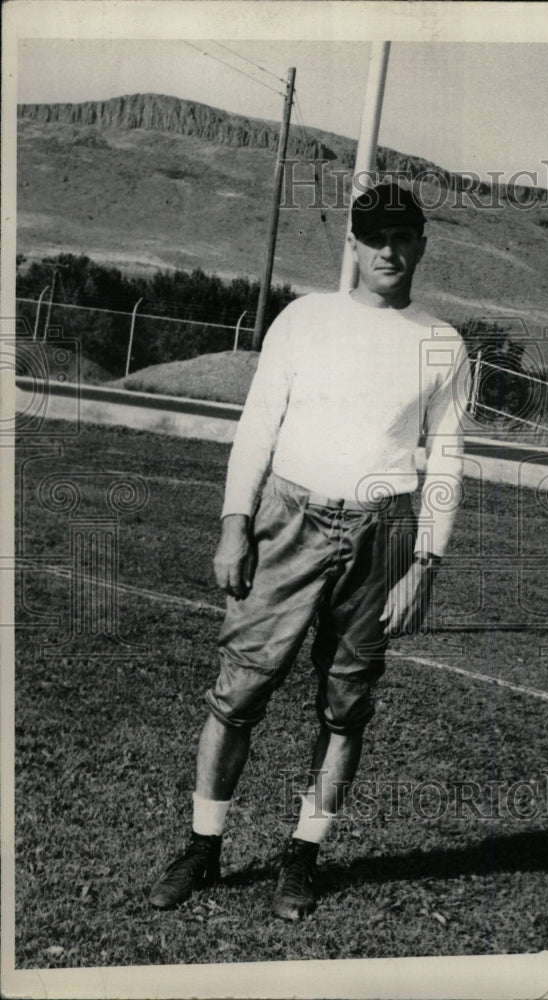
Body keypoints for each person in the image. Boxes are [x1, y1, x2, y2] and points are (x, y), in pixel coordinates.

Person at [148, 180, 469, 920]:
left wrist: (424, 564)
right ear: (352, 246)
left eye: (401, 237)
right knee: (239, 693)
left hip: (382, 531)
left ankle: (303, 854)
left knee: (345, 706)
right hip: (288, 518)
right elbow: (258, 426)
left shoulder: (442, 343)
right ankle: (203, 844)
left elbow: (446, 459)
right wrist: (234, 522)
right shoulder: (303, 320)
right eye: (373, 237)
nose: (387, 250)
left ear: (420, 244)